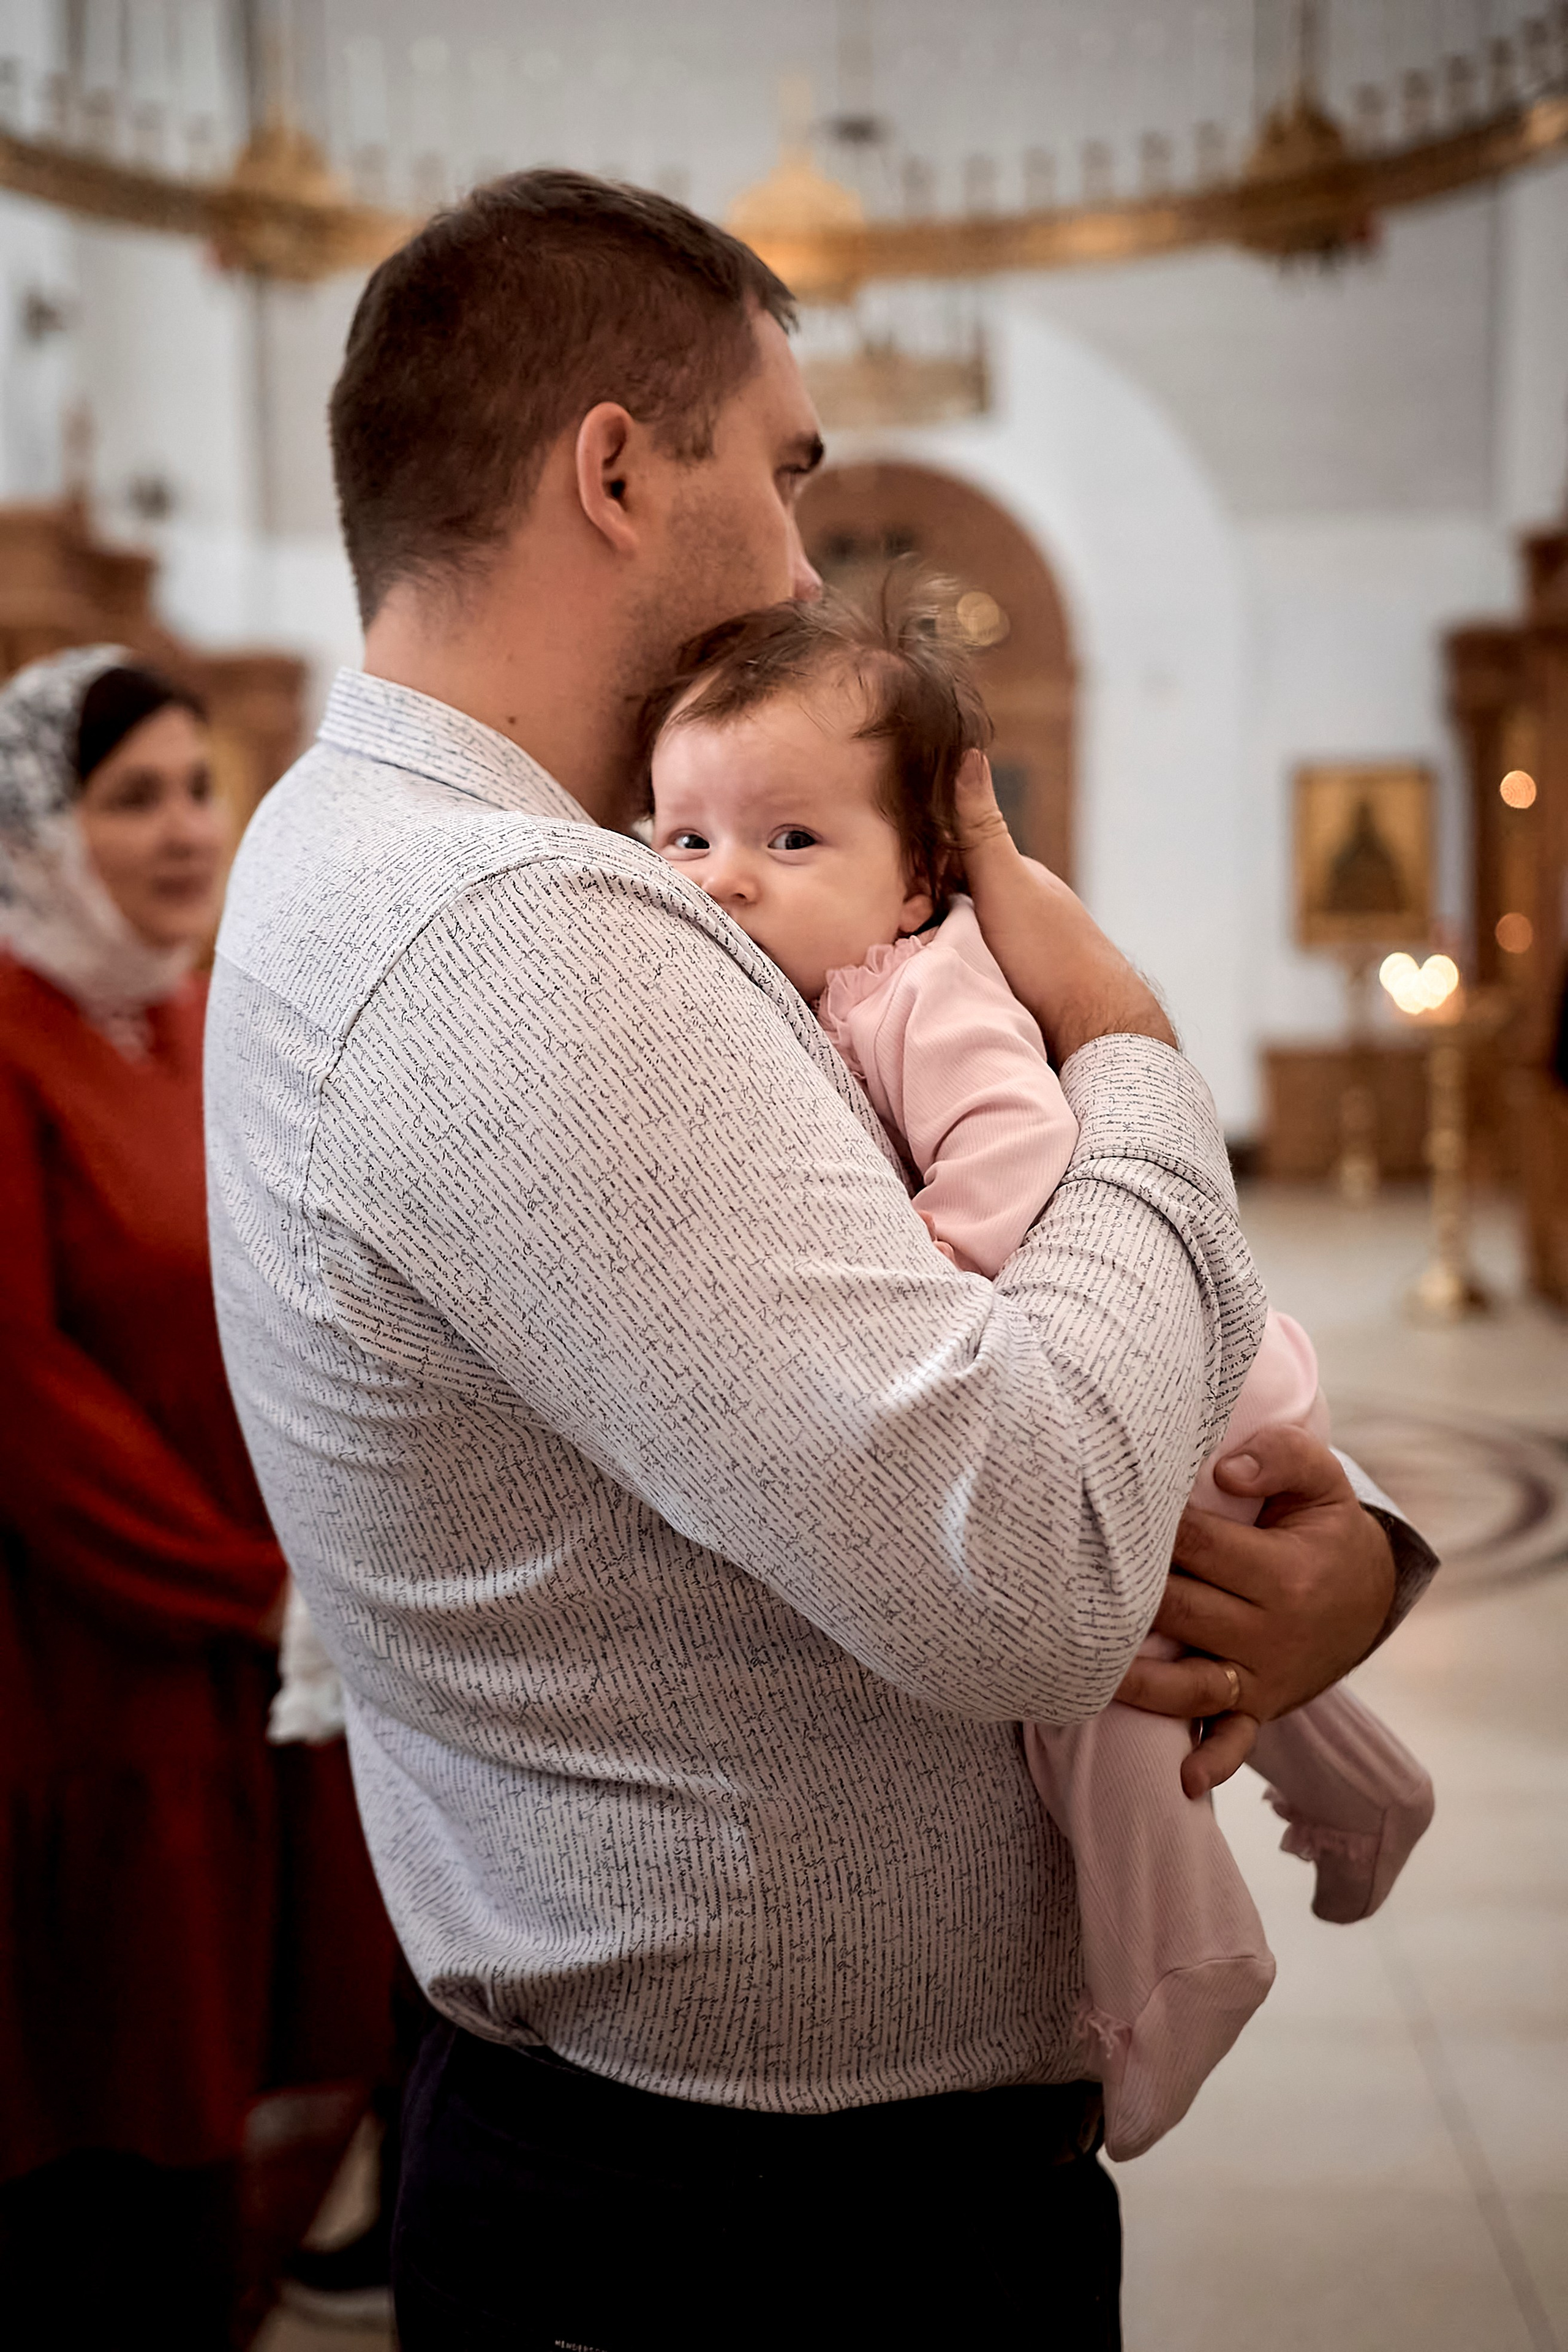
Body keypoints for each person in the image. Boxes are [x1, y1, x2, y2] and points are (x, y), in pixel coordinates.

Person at [205, 172, 1436, 2351]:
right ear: (612, 468)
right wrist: (1136, 1053)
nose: (803, 561)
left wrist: (1344, 1565)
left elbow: (906, 1344)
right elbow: (1025, 1555)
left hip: (711, 2167)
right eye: (781, 476)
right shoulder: (521, 939)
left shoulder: (385, 842)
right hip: (756, 2228)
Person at [644, 581, 1436, 2163]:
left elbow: (1021, 1146)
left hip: (1171, 1384)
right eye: (684, 843)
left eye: (792, 843)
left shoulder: (920, 984)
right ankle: (1367, 1792)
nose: (727, 883)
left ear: (921, 870)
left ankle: (1183, 1963)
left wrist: (920, 1270)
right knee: (1238, 1615)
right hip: (1198, 1375)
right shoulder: (830, 981)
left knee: (1099, 1691)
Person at [0, 647, 396, 2350]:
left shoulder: (197, 1009)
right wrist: (243, 1583)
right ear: (37, 827)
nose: (181, 830)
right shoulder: (10, 1042)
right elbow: (22, 1394)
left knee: (251, 2091)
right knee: (113, 2156)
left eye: (197, 787)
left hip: (258, 1661)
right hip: (94, 1678)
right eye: (129, 797)